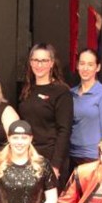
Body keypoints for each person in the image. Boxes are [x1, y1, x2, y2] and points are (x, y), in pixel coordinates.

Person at [17, 44, 73, 185]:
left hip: (50, 157)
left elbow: (64, 130)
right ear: (30, 63)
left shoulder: (61, 91)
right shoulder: (26, 89)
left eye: (44, 61)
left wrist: (55, 165)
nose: (39, 65)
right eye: (35, 60)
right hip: (28, 156)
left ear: (51, 63)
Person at [69, 49, 102, 167]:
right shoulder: (70, 93)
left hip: (93, 157)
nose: (85, 68)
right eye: (82, 63)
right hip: (71, 155)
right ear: (77, 66)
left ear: (98, 67)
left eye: (90, 64)